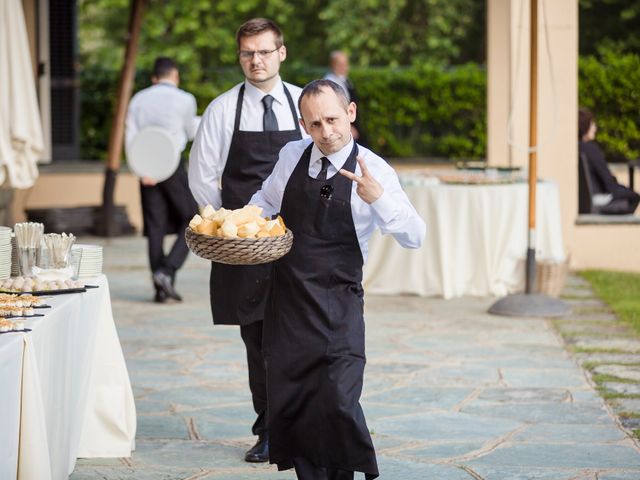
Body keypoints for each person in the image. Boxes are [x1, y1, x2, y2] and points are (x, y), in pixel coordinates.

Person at [249, 79, 426, 480]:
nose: (325, 132)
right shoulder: (292, 155)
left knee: (338, 402)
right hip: (289, 303)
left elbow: (415, 236)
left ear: (351, 113)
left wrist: (377, 198)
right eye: (314, 124)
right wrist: (235, 225)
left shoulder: (376, 169)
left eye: (332, 119)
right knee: (296, 403)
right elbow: (265, 203)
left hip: (338, 304)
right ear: (303, 124)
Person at [188, 18, 305, 463]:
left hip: (298, 242)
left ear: (281, 52)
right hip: (244, 246)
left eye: (263, 51)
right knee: (257, 341)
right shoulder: (221, 109)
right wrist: (229, 229)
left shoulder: (303, 102)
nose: (255, 60)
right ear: (240, 56)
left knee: (302, 336)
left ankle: (305, 424)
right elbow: (201, 177)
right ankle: (270, 430)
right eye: (247, 53)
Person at [125, 57, 199, 303]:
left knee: (155, 227)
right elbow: (190, 132)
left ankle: (160, 287)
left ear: (154, 78)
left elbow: (131, 135)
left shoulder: (138, 99)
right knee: (192, 219)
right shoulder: (185, 99)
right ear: (175, 76)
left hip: (145, 165)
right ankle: (166, 271)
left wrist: (139, 169)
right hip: (171, 163)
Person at [578, 108, 640, 214]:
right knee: (633, 197)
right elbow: (608, 182)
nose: (595, 128)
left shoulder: (574, 148)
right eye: (592, 124)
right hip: (597, 199)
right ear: (585, 126)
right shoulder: (590, 149)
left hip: (582, 199)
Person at [324, 50, 368, 147]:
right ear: (332, 65)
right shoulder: (329, 83)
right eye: (340, 64)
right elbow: (334, 108)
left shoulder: (345, 80)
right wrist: (349, 126)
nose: (344, 67)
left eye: (345, 64)